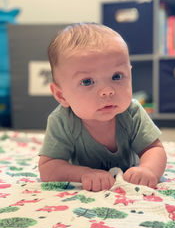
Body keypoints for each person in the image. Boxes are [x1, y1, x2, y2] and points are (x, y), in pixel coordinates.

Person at [38, 22, 167, 192]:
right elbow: (48, 167)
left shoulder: (132, 112)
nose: (107, 91)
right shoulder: (62, 120)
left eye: (116, 76)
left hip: (129, 175)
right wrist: (83, 174)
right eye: (87, 81)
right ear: (61, 95)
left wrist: (148, 170)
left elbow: (154, 149)